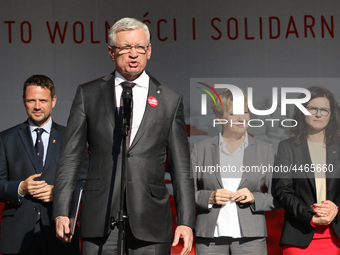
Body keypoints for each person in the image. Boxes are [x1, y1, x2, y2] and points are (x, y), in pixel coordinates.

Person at [53, 17, 195, 255]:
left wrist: (186, 220)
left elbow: (181, 167)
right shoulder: (88, 94)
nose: (133, 54)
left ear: (149, 51)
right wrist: (61, 210)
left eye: (140, 47)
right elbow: (70, 158)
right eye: (125, 47)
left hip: (151, 221)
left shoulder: (170, 100)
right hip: (100, 219)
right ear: (111, 52)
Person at [0, 75, 85, 255]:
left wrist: (59, 193)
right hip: (17, 235)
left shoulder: (70, 138)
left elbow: (85, 182)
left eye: (43, 100)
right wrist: (21, 188)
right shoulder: (5, 139)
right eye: (31, 100)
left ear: (53, 101)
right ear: (24, 101)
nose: (37, 106)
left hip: (59, 231)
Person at [192, 89, 276, 255]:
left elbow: (279, 196)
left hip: (251, 238)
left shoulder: (265, 150)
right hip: (209, 238)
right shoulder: (200, 149)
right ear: (220, 118)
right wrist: (209, 197)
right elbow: (187, 193)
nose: (241, 118)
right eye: (233, 113)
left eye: (245, 112)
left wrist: (255, 198)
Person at [273, 87, 340, 254]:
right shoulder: (287, 147)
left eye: (324, 110)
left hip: (335, 235)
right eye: (313, 109)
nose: (319, 114)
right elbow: (282, 190)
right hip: (299, 235)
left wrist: (336, 208)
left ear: (331, 115)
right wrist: (310, 217)